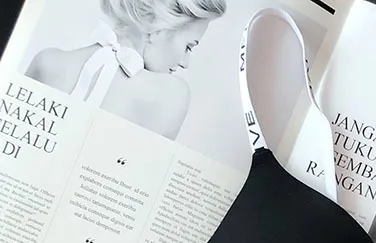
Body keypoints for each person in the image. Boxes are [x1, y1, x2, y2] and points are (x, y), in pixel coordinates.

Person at [26, 0, 227, 140]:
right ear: (159, 31)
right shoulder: (173, 94)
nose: (185, 63)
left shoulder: (47, 62)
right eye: (188, 47)